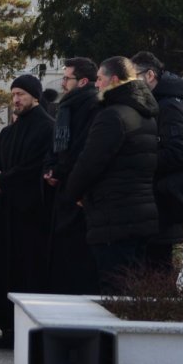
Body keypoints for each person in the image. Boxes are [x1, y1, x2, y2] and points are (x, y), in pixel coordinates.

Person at [61, 57, 159, 292]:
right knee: (132, 288)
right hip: (140, 213)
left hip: (112, 216)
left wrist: (72, 193)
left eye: (100, 79)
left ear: (113, 80)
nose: (97, 85)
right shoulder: (146, 114)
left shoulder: (111, 115)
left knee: (113, 288)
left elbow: (90, 162)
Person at [0, 74, 54, 348]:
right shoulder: (10, 131)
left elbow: (36, 166)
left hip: (31, 214)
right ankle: (7, 327)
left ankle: (26, 329)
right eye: (13, 95)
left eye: (21, 94)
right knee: (4, 269)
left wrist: (4, 180)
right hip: (6, 211)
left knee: (27, 269)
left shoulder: (47, 128)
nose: (16, 100)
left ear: (35, 96)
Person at [131, 51, 183, 279]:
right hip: (153, 205)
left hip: (163, 206)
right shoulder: (153, 103)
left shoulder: (168, 106)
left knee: (158, 275)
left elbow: (179, 151)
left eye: (132, 76)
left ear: (149, 75)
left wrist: (140, 161)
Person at [43, 57, 101, 294]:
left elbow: (82, 148)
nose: (63, 83)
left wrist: (61, 170)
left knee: (76, 259)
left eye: (67, 78)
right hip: (63, 187)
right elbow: (56, 146)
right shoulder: (66, 106)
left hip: (77, 193)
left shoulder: (92, 106)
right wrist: (50, 168)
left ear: (83, 81)